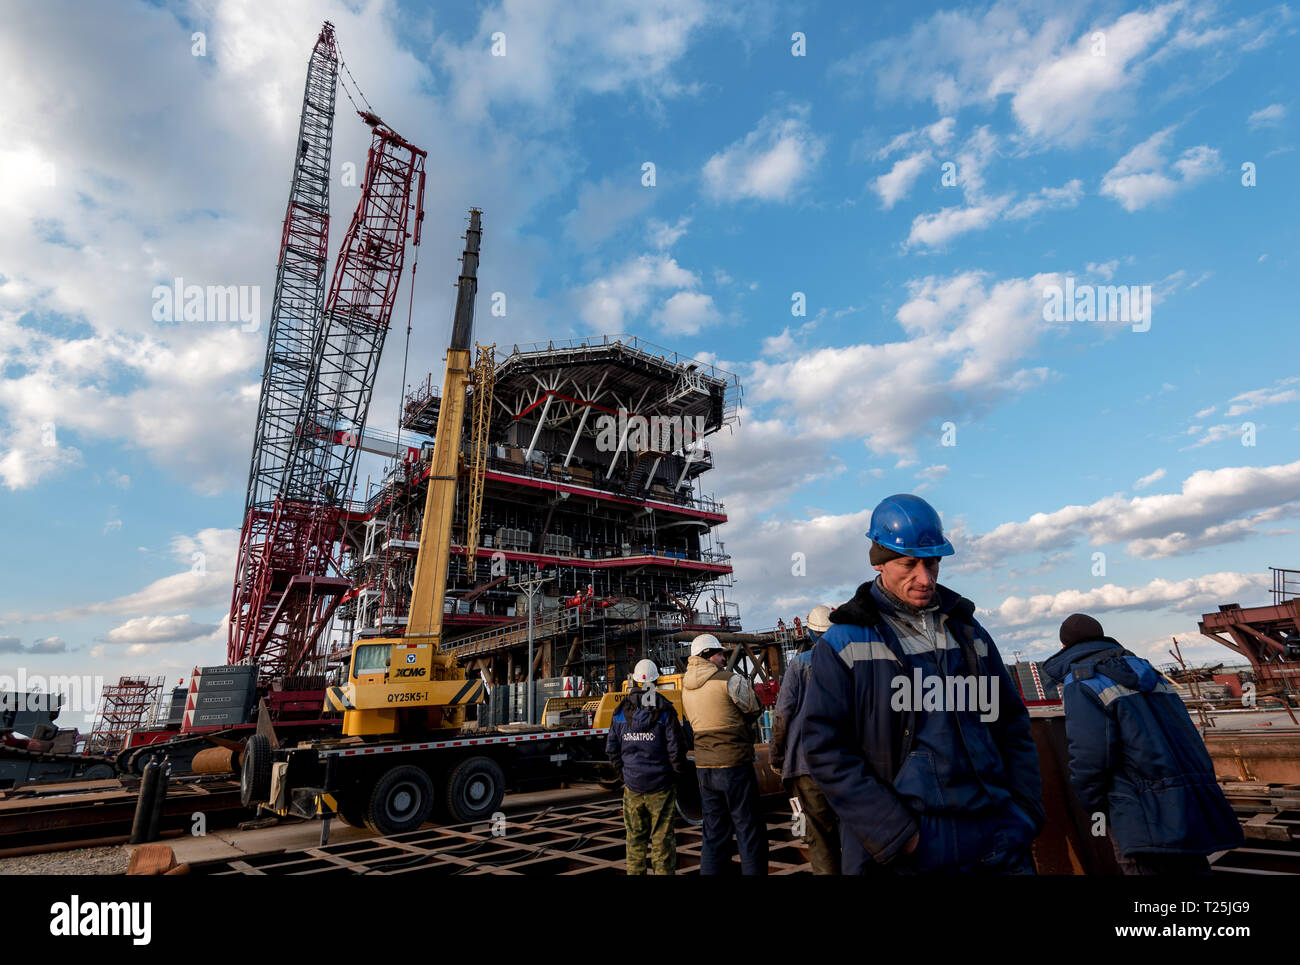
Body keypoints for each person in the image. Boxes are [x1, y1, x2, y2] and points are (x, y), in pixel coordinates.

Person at [802, 493, 1044, 875]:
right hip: (912, 845)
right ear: (880, 563)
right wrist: (896, 835)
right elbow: (825, 749)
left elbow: (1012, 724)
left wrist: (1024, 811)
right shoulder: (845, 643)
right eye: (909, 564)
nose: (925, 578)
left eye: (932, 563)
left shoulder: (969, 632)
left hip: (997, 833)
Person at [1042, 613, 1244, 875]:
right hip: (1188, 803)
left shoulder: (1082, 681)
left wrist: (1095, 804)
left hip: (1137, 811)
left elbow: (1090, 755)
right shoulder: (1151, 674)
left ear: (1064, 647)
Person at [682, 633, 768, 874]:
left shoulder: (685, 688)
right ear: (708, 656)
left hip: (704, 769)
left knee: (714, 832)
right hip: (734, 765)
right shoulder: (729, 681)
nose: (723, 659)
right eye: (720, 654)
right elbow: (754, 709)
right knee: (749, 830)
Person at [771, 604, 840, 874]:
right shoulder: (851, 661)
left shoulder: (800, 664)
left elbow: (782, 715)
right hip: (846, 762)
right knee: (855, 830)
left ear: (810, 633)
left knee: (818, 837)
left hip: (806, 765)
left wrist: (777, 757)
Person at [605, 658, 686, 875]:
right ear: (656, 681)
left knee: (634, 840)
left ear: (634, 682)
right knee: (662, 839)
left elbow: (612, 749)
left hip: (632, 787)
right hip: (661, 786)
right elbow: (676, 750)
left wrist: (625, 775)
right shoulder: (665, 711)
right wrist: (676, 775)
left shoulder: (620, 711)